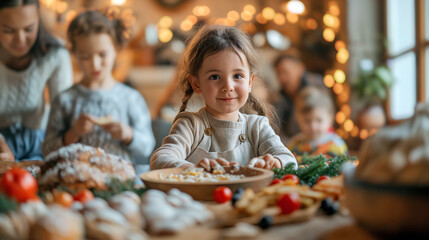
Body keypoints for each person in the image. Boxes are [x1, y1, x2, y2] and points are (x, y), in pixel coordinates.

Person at [150, 25, 297, 171]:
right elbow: (160, 159)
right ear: (196, 84)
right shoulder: (190, 125)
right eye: (215, 77)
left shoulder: (257, 127)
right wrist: (194, 169)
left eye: (237, 76)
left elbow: (289, 160)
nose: (228, 86)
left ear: (250, 82)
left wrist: (274, 161)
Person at [42, 11, 155, 175]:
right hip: (77, 180)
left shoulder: (131, 98)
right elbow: (47, 150)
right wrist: (73, 133)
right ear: (74, 55)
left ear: (116, 49)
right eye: (85, 57)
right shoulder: (65, 100)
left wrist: (128, 134)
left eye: (102, 55)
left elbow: (147, 147)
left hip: (120, 181)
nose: (95, 65)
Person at [0, 0, 73, 161]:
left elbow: (63, 116)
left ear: (38, 21)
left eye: (29, 29)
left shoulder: (55, 54)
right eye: (8, 30)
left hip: (40, 144)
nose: (20, 40)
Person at [287, 86, 348, 161]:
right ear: (297, 118)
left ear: (330, 118)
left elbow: (345, 168)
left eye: (319, 120)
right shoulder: (293, 145)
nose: (313, 126)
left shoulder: (337, 146)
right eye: (307, 121)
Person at [272, 53, 324, 141]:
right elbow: (277, 130)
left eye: (285, 72)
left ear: (300, 68)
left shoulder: (315, 87)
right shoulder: (279, 97)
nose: (282, 78)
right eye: (278, 73)